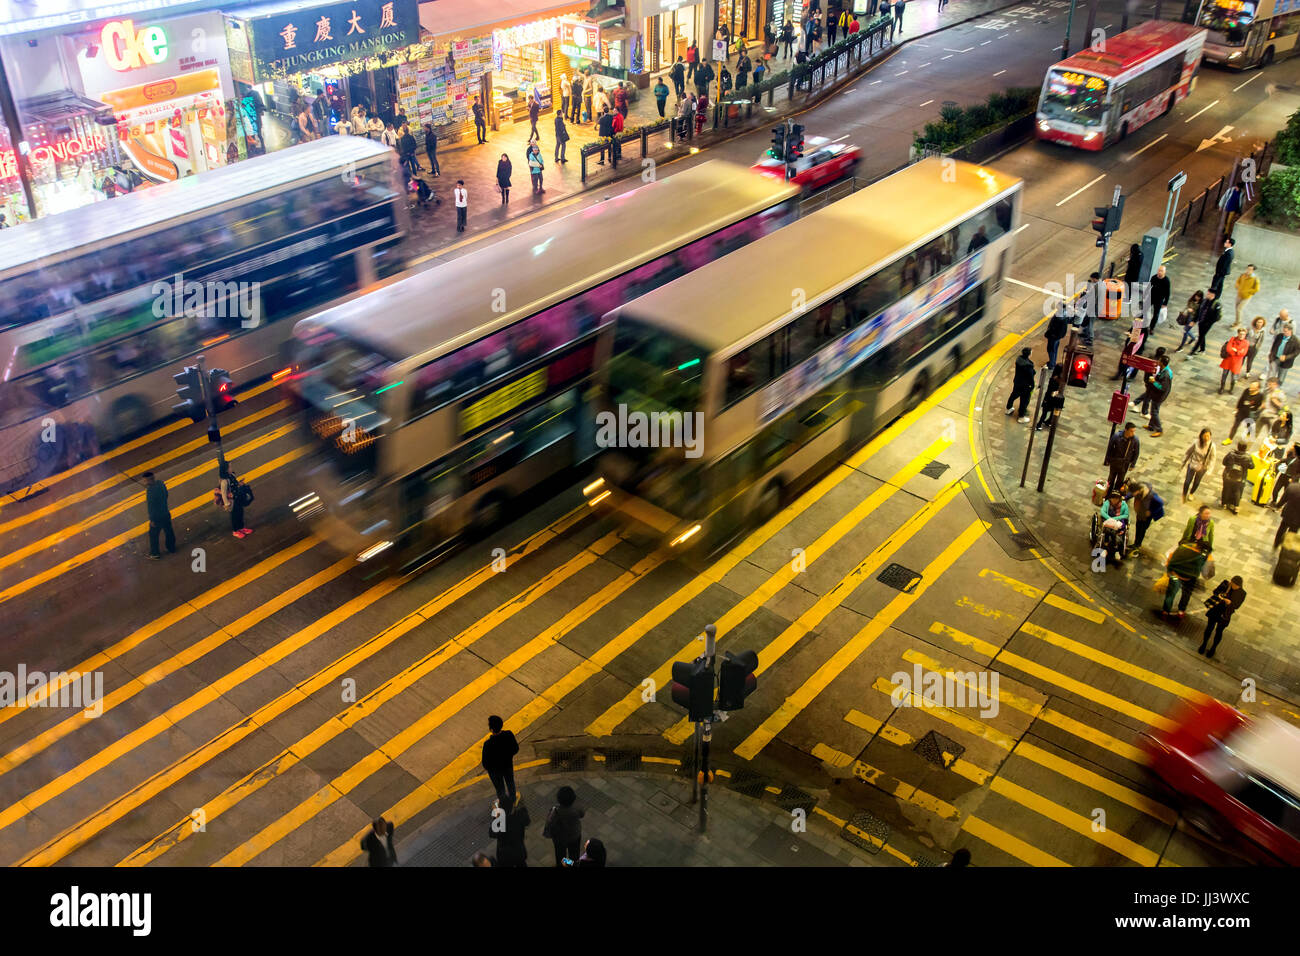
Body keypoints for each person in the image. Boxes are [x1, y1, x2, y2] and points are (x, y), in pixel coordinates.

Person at [1158, 539, 1207, 621]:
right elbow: (1198, 569)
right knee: (1186, 595)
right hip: (1189, 578)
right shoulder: (1201, 555)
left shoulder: (1182, 548)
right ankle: (1181, 611)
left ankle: (1165, 612)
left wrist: (1170, 572)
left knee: (1171, 594)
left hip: (1175, 575)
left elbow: (1173, 559)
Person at [1199, 576, 1245, 658]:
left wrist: (1230, 603)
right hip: (1216, 609)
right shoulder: (1226, 584)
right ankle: (1204, 644)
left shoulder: (1242, 593)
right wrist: (1221, 595)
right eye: (1232, 583)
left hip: (1225, 614)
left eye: (1234, 585)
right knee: (1209, 628)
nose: (1232, 585)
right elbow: (1215, 591)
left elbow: (1237, 606)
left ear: (1239, 585)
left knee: (1219, 632)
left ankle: (1213, 648)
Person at [482, 715, 519, 804]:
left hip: (495, 772)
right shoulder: (509, 734)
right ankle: (513, 799)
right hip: (507, 766)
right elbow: (516, 749)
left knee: (500, 788)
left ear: (491, 729)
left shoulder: (488, 744)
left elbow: (485, 763)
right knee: (510, 783)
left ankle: (504, 803)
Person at [544, 785, 584, 867]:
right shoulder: (576, 808)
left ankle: (563, 864)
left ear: (558, 799)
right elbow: (582, 814)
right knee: (574, 855)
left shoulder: (555, 811)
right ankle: (572, 864)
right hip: (574, 835)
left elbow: (549, 823)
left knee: (561, 856)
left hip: (560, 839)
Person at [142, 471, 176, 559]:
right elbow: (166, 495)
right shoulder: (161, 484)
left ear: (148, 480)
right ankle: (171, 548)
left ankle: (154, 553)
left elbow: (151, 507)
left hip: (157, 517)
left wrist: (152, 520)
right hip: (165, 513)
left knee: (153, 535)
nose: (144, 482)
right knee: (168, 531)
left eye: (145, 480)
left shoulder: (150, 491)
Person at [492, 793, 531, 867]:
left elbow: (492, 834)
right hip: (519, 851)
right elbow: (527, 822)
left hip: (505, 855)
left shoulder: (500, 822)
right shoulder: (520, 814)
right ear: (512, 805)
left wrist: (495, 815)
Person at [1127, 479, 1164, 555]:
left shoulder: (1152, 496)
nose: (1133, 495)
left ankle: (1138, 544)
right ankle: (1136, 543)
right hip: (1140, 513)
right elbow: (1130, 494)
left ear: (1139, 490)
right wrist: (1124, 498)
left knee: (1142, 529)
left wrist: (1151, 512)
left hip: (1146, 516)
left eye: (1134, 493)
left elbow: (1160, 503)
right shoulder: (1137, 491)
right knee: (1138, 526)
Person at [218, 459, 253, 538]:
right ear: (226, 470)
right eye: (230, 467)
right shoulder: (224, 481)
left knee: (240, 513)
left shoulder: (232, 475)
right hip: (232, 501)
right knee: (234, 516)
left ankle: (241, 527)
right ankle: (235, 530)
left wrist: (240, 483)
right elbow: (223, 493)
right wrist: (227, 503)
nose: (231, 468)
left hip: (238, 497)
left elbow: (235, 484)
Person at [1105, 421, 1141, 494]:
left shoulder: (1135, 440)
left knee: (1120, 480)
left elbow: (1136, 453)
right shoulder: (1116, 436)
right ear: (1126, 430)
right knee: (1111, 479)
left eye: (1134, 431)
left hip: (1125, 464)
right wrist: (1108, 460)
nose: (1133, 433)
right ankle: (1108, 493)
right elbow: (1110, 448)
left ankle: (1116, 494)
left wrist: (1133, 464)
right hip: (1115, 461)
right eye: (1131, 431)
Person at [1225, 379, 1263, 445]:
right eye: (1251, 385)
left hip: (1250, 414)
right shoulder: (1246, 390)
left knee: (1249, 427)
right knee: (1235, 425)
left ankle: (1246, 440)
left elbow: (1258, 405)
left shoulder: (1260, 396)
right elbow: (1241, 399)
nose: (1251, 387)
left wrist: (1253, 407)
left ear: (1257, 388)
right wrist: (1237, 408)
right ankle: (1230, 439)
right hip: (1241, 411)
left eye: (1253, 386)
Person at [1181, 428, 1215, 502]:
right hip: (1193, 464)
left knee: (1197, 482)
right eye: (1205, 436)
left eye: (1208, 436)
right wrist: (1183, 462)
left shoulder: (1212, 446)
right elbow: (1188, 452)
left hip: (1203, 467)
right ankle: (1184, 494)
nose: (1206, 438)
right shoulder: (1196, 442)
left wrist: (1209, 470)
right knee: (1187, 481)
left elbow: (1213, 458)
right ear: (1201, 435)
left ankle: (1191, 493)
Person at [1220, 439, 1252, 513]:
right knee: (1237, 491)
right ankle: (1236, 506)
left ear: (1237, 447)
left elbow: (1224, 462)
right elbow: (1252, 466)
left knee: (1226, 489)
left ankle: (1224, 504)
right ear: (1245, 448)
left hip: (1228, 476)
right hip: (1240, 478)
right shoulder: (1247, 457)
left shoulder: (1231, 454)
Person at [1005, 347, 1035, 422]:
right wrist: (1032, 386)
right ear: (1029, 354)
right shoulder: (1028, 365)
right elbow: (1031, 376)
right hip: (1025, 385)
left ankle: (1009, 408)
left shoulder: (1019, 360)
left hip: (1017, 382)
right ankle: (1021, 416)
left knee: (1014, 394)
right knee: (1024, 400)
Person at [1188, 290, 1221, 356]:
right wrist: (1194, 321)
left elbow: (1216, 317)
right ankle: (1202, 349)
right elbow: (1199, 311)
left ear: (1212, 295)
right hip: (1201, 321)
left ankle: (1192, 352)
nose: (1206, 295)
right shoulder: (1204, 301)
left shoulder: (1216, 304)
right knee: (1201, 335)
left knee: (1200, 337)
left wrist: (1208, 323)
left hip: (1207, 324)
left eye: (1208, 294)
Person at [1146, 354, 1172, 437]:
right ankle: (1151, 426)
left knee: (1154, 412)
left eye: (1159, 361)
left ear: (1162, 363)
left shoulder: (1166, 374)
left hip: (1159, 395)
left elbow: (1162, 387)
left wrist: (1154, 382)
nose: (1158, 362)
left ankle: (1159, 429)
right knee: (1154, 410)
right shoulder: (1164, 370)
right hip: (1157, 394)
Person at [1219, 327, 1250, 393]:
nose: (1241, 336)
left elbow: (1244, 353)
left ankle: (1231, 389)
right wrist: (1238, 352)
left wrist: (1236, 350)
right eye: (1240, 334)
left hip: (1237, 363)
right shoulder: (1232, 339)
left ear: (1245, 335)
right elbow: (1228, 349)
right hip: (1228, 360)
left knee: (1234, 378)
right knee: (1224, 375)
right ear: (1238, 334)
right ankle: (1222, 388)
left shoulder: (1246, 343)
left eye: (1243, 334)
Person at [1035, 365, 1065, 430]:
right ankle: (1045, 422)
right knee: (1051, 411)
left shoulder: (1053, 379)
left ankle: (1041, 424)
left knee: (1045, 412)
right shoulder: (1059, 379)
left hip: (1049, 397)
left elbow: (1050, 390)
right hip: (1054, 398)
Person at [1274, 479, 1300, 548]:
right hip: (1298, 519)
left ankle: (1276, 543)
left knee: (1282, 528)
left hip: (1288, 513)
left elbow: (1283, 500)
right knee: (1292, 533)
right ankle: (1286, 548)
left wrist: (1278, 505)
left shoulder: (1293, 487)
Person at [1044, 302, 1069, 369]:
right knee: (1054, 349)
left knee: (1051, 350)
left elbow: (1056, 328)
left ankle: (1052, 364)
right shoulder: (1063, 314)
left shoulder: (1060, 317)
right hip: (1055, 336)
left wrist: (1052, 335)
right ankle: (1052, 362)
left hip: (1054, 336)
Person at [1148, 264, 1171, 334]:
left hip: (1159, 299)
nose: (1159, 272)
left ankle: (1151, 328)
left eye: (1161, 271)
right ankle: (1139, 325)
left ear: (1164, 272)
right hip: (1151, 297)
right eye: (1159, 270)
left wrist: (1165, 303)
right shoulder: (1154, 277)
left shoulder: (1166, 281)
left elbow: (1168, 293)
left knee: (1156, 314)